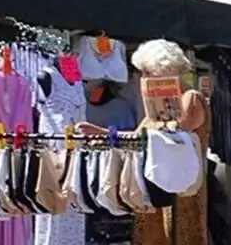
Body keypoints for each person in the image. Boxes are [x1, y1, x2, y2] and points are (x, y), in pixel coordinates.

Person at [76, 39, 210, 245]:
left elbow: (173, 136)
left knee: (181, 235)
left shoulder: (190, 98)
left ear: (165, 69)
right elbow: (138, 140)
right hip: (152, 184)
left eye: (148, 73)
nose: (144, 79)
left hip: (180, 187)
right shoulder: (154, 109)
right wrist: (102, 133)